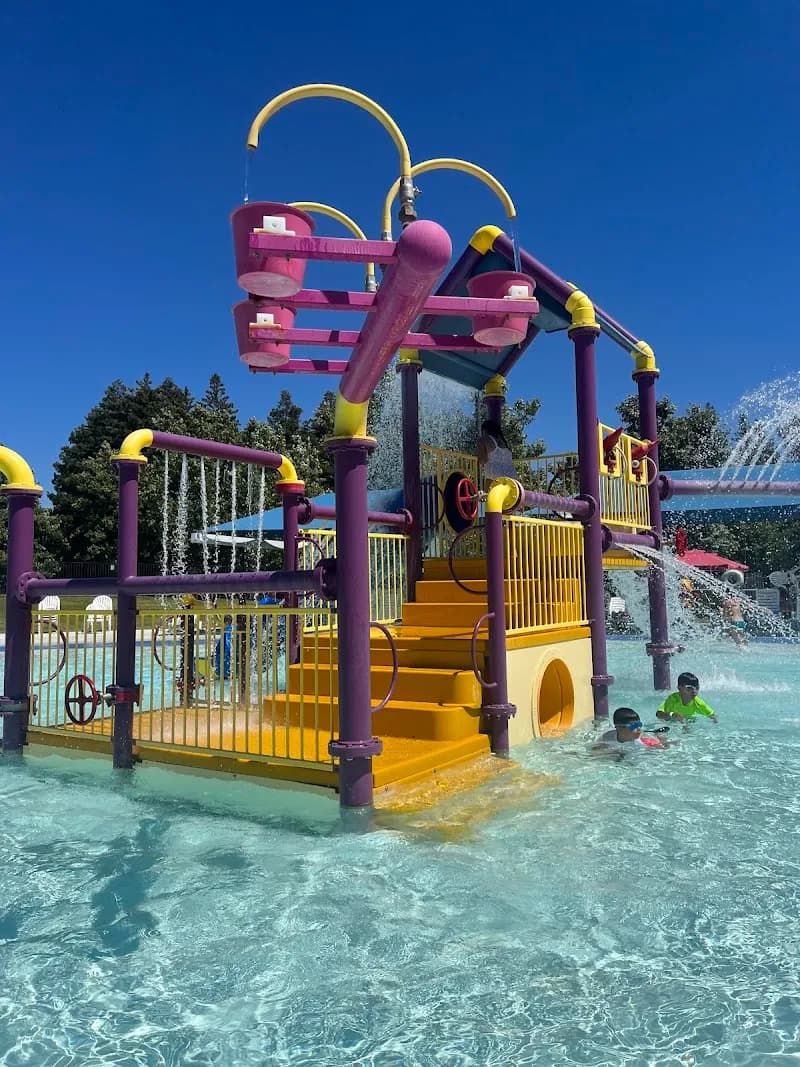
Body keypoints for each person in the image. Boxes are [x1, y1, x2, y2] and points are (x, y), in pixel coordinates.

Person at [592, 706, 667, 757]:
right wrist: (614, 751)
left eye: (639, 725)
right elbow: (594, 752)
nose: (639, 729)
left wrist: (662, 740)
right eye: (634, 726)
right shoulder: (607, 736)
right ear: (619, 728)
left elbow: (663, 748)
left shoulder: (642, 741)